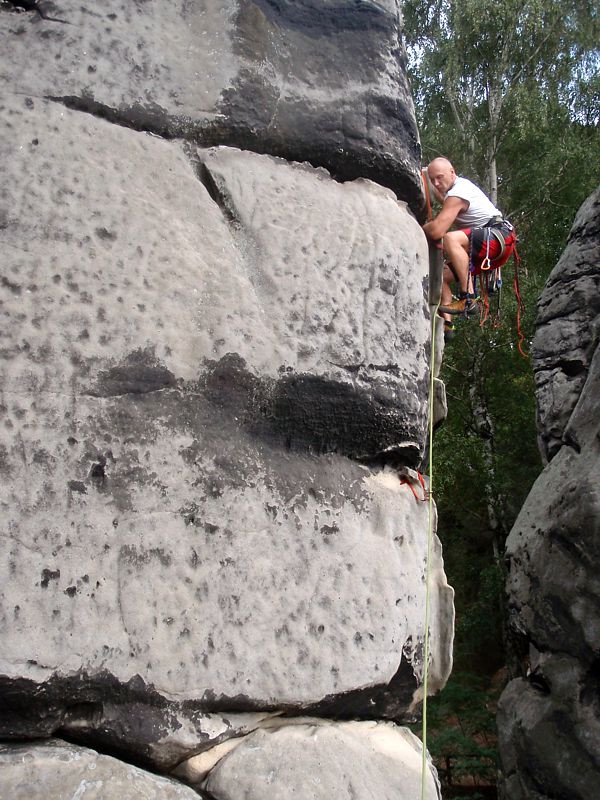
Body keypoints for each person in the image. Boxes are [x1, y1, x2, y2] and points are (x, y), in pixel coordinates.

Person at [422, 157, 515, 333]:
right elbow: (443, 199)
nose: (436, 183)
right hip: (489, 246)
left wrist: (419, 226)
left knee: (450, 238)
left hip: (497, 236)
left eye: (439, 177)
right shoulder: (454, 193)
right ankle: (447, 325)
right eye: (433, 180)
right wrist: (425, 176)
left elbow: (436, 231)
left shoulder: (459, 192)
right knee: (439, 276)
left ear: (452, 172)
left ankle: (468, 297)